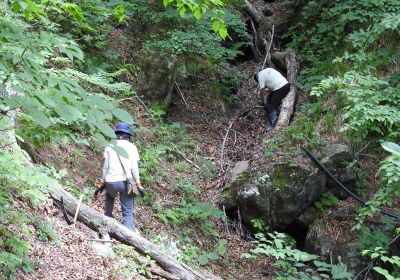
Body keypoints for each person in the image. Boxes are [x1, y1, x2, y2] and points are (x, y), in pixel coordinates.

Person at [95, 122, 144, 231]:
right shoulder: (132, 147)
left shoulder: (110, 146)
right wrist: (139, 185)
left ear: (117, 134)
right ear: (128, 135)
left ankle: (106, 223)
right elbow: (134, 168)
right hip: (126, 183)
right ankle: (127, 237)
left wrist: (102, 184)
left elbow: (106, 168)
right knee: (127, 212)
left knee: (109, 197)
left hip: (111, 182)